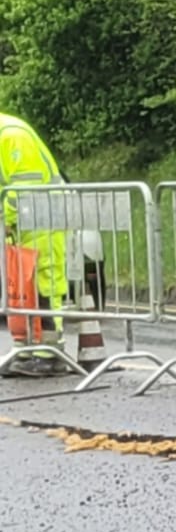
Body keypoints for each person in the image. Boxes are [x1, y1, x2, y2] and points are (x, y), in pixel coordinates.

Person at [0, 112, 70, 376]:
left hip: (43, 219)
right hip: (24, 223)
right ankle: (26, 349)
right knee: (21, 288)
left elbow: (25, 188)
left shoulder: (12, 136)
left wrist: (6, 218)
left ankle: (48, 355)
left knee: (44, 284)